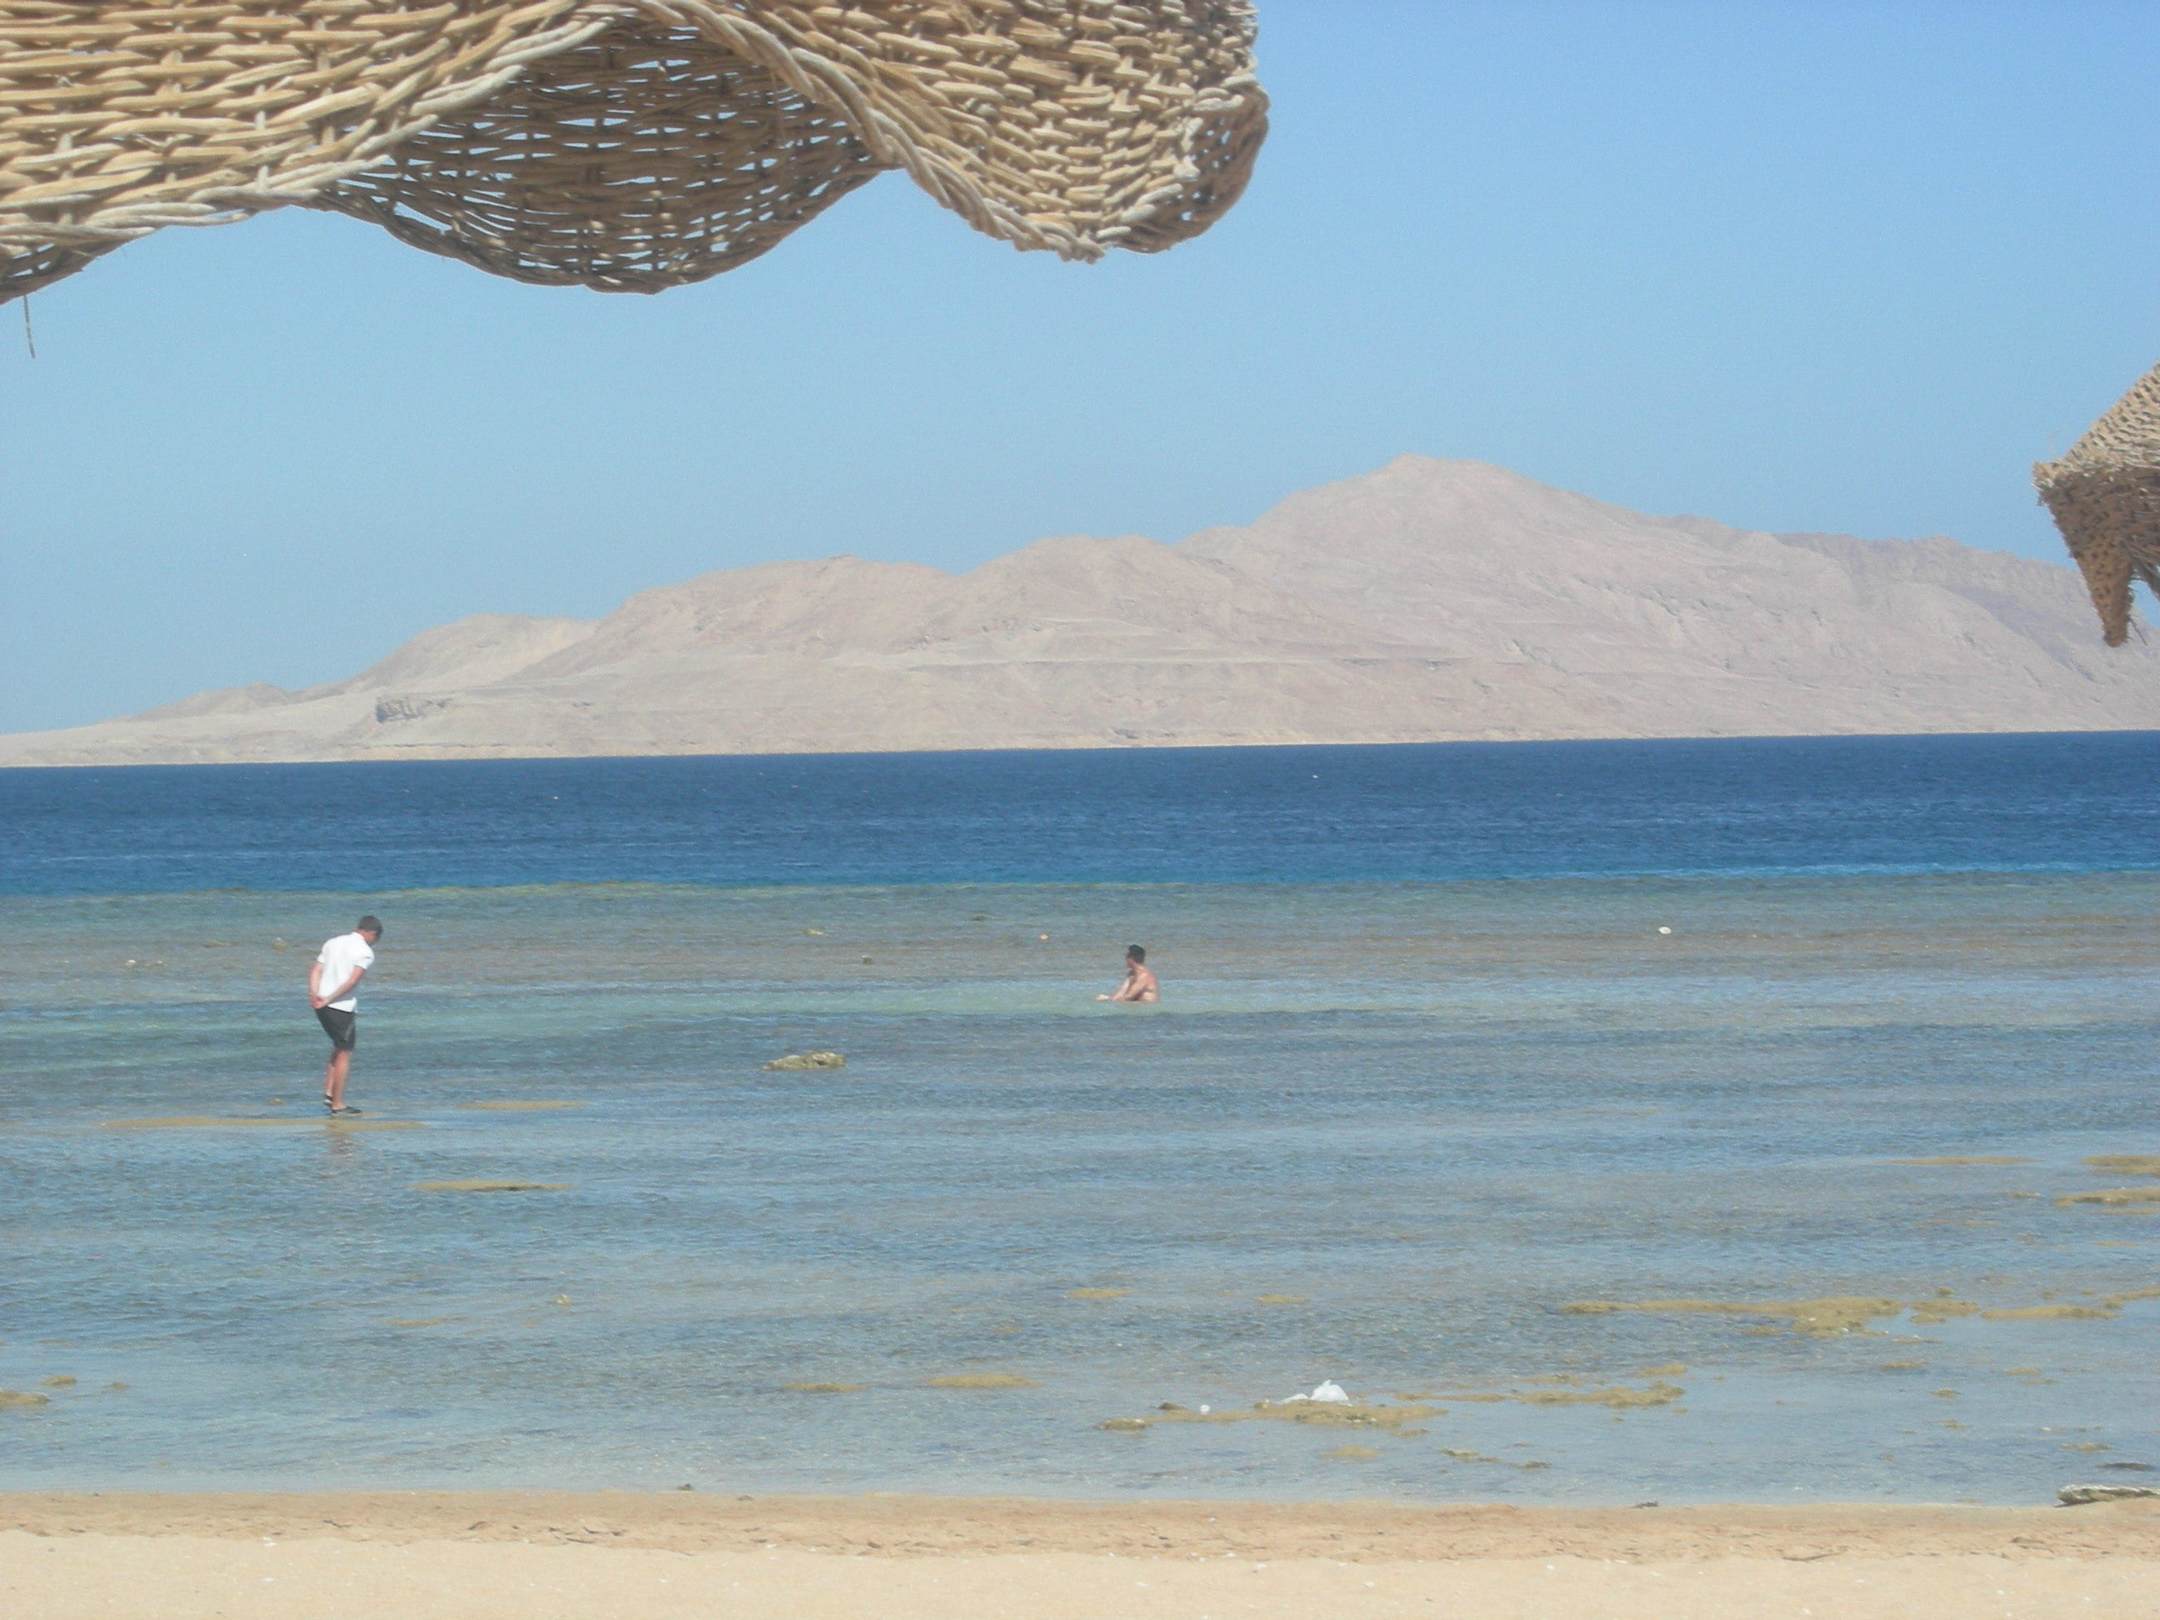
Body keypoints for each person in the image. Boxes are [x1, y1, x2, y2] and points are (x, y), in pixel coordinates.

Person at [310, 915, 383, 1114]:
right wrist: (329, 998)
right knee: (345, 1052)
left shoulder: (333, 942)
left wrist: (315, 994)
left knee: (338, 1046)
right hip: (341, 1007)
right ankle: (338, 1103)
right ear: (372, 934)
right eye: (376, 939)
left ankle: (329, 1092)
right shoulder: (365, 952)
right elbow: (352, 981)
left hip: (321, 1004)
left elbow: (316, 970)